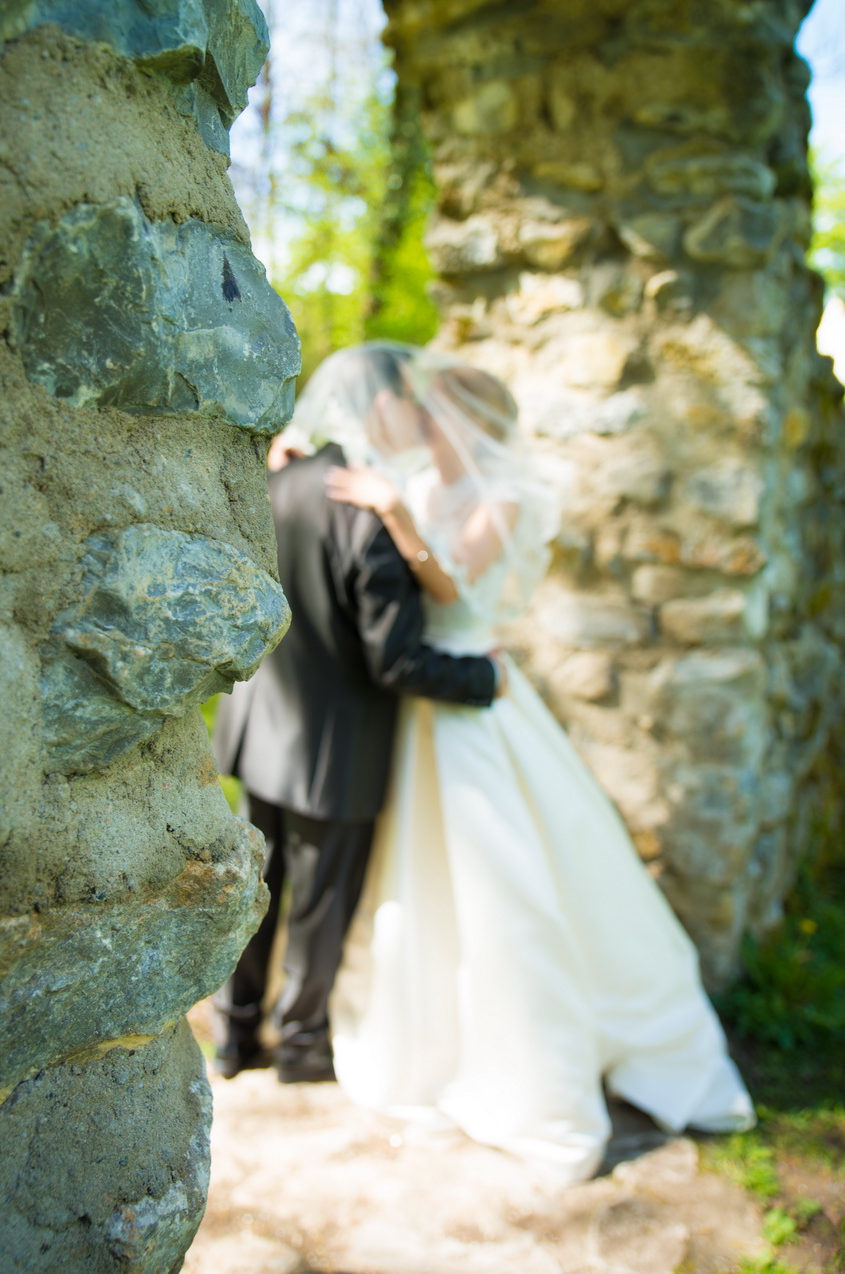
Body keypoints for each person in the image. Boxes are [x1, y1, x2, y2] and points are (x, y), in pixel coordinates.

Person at [292, 344, 756, 1185]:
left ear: (466, 424)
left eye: (432, 414)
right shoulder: (420, 479)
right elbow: (358, 482)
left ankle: (540, 1062)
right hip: (422, 700)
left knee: (504, 879)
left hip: (474, 698)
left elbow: (454, 588)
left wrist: (397, 513)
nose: (418, 423)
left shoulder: (500, 495)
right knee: (420, 878)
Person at [211, 344, 502, 1085]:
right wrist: (485, 677)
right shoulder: (364, 507)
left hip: (260, 728)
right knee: (322, 898)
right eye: (407, 399)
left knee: (258, 887)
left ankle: (235, 1036)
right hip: (337, 742)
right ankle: (302, 1044)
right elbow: (396, 661)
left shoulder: (272, 482)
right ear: (380, 406)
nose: (415, 414)